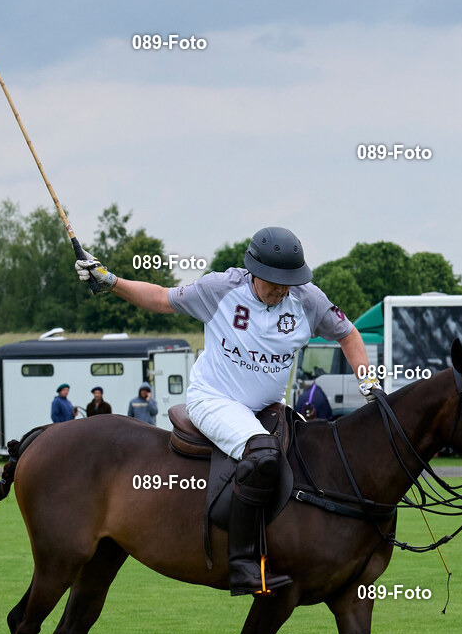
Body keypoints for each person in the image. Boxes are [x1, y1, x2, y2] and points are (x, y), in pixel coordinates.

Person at [76, 226, 378, 596]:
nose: (282, 290)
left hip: (268, 407)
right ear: (254, 272)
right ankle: (242, 563)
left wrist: (367, 380)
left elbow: (347, 333)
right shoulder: (220, 289)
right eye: (274, 283)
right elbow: (160, 298)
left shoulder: (307, 299)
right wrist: (111, 281)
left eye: (289, 283)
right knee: (263, 454)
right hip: (214, 400)